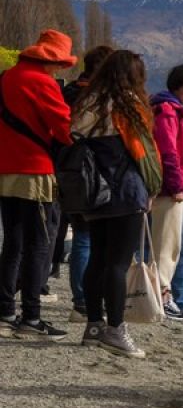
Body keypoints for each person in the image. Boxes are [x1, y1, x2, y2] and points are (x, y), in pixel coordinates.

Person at [72, 49, 163, 358]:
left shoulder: (88, 102)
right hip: (125, 191)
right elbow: (144, 155)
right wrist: (153, 188)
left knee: (97, 258)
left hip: (93, 192)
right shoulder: (129, 106)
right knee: (118, 263)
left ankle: (94, 325)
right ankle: (117, 329)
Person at [0, 29, 75, 341]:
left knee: (12, 243)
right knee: (40, 244)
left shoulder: (7, 77)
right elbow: (64, 129)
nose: (60, 69)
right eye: (60, 64)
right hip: (36, 170)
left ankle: (4, 312)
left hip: (5, 169)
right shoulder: (43, 82)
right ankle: (31, 317)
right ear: (53, 59)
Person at [60, 44, 114, 320]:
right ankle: (83, 301)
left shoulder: (67, 91)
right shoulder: (99, 97)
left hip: (66, 169)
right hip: (94, 172)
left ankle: (80, 300)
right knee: (88, 238)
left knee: (79, 234)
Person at [150, 63, 183, 321]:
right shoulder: (167, 112)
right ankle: (164, 298)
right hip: (170, 190)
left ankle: (180, 299)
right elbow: (168, 153)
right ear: (176, 85)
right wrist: (177, 186)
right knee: (167, 246)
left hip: (170, 188)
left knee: (175, 245)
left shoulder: (169, 108)